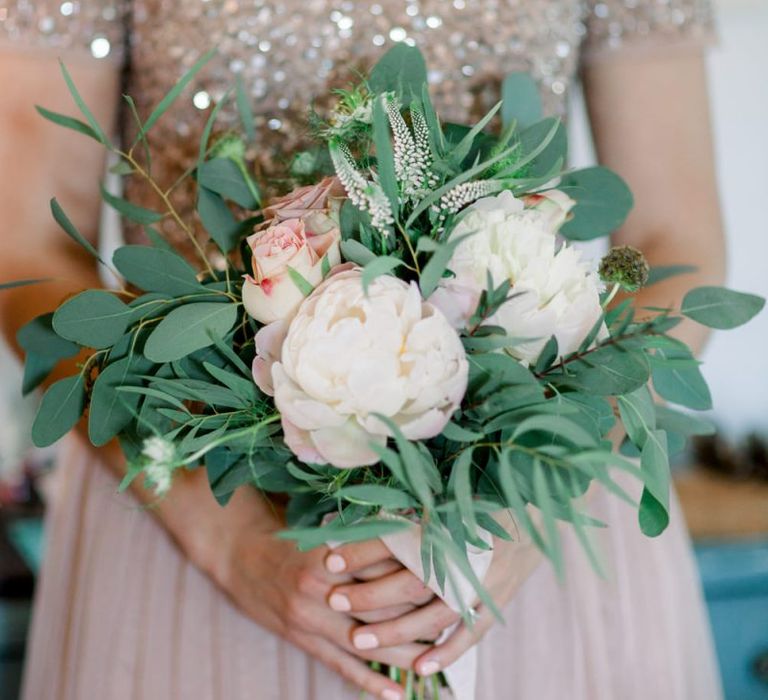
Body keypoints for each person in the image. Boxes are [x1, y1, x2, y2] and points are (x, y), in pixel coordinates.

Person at [0, 1, 726, 698]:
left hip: (522, 518)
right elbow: (24, 249)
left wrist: (534, 499)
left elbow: (676, 241)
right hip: (198, 497)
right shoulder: (213, 526)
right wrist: (222, 538)